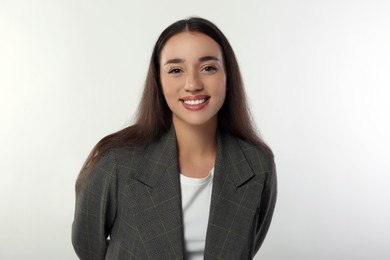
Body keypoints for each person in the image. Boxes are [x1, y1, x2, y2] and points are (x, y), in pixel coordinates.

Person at [72, 17, 277, 260]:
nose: (192, 84)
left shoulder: (257, 165)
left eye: (208, 68)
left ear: (228, 77)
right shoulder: (116, 161)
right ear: (158, 81)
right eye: (176, 70)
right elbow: (88, 246)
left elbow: (246, 247)